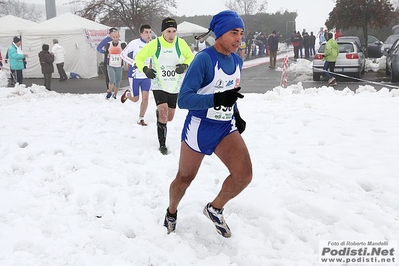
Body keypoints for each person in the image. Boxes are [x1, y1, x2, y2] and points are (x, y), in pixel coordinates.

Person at [163, 10, 253, 238]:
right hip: (199, 128)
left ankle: (215, 208)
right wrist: (216, 99)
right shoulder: (204, 60)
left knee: (244, 176)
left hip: (224, 127)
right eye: (234, 32)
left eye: (241, 33)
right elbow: (184, 99)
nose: (238, 38)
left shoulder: (237, 61)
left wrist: (236, 113)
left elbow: (230, 94)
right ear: (221, 33)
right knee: (184, 180)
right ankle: (171, 212)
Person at [135, 17, 194, 155]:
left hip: (174, 85)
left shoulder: (181, 43)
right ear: (162, 32)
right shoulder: (155, 44)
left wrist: (185, 65)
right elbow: (139, 58)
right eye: (168, 31)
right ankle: (162, 145)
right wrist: (145, 70)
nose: (171, 35)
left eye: (174, 31)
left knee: (170, 117)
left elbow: (190, 57)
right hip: (158, 84)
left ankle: (160, 114)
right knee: (163, 112)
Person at [120, 24, 153, 126]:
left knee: (146, 98)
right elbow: (122, 55)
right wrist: (133, 63)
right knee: (135, 99)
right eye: (146, 32)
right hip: (135, 76)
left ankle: (141, 118)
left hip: (146, 76)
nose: (149, 35)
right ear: (141, 33)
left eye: (150, 32)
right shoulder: (134, 43)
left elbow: (153, 60)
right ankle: (127, 95)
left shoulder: (152, 45)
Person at [104, 29, 127, 99]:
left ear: (119, 36)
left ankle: (115, 95)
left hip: (119, 66)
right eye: (114, 37)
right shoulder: (108, 44)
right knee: (112, 79)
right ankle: (110, 92)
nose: (115, 38)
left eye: (116, 37)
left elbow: (126, 53)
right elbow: (106, 54)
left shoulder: (122, 44)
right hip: (110, 65)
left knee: (117, 81)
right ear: (111, 37)